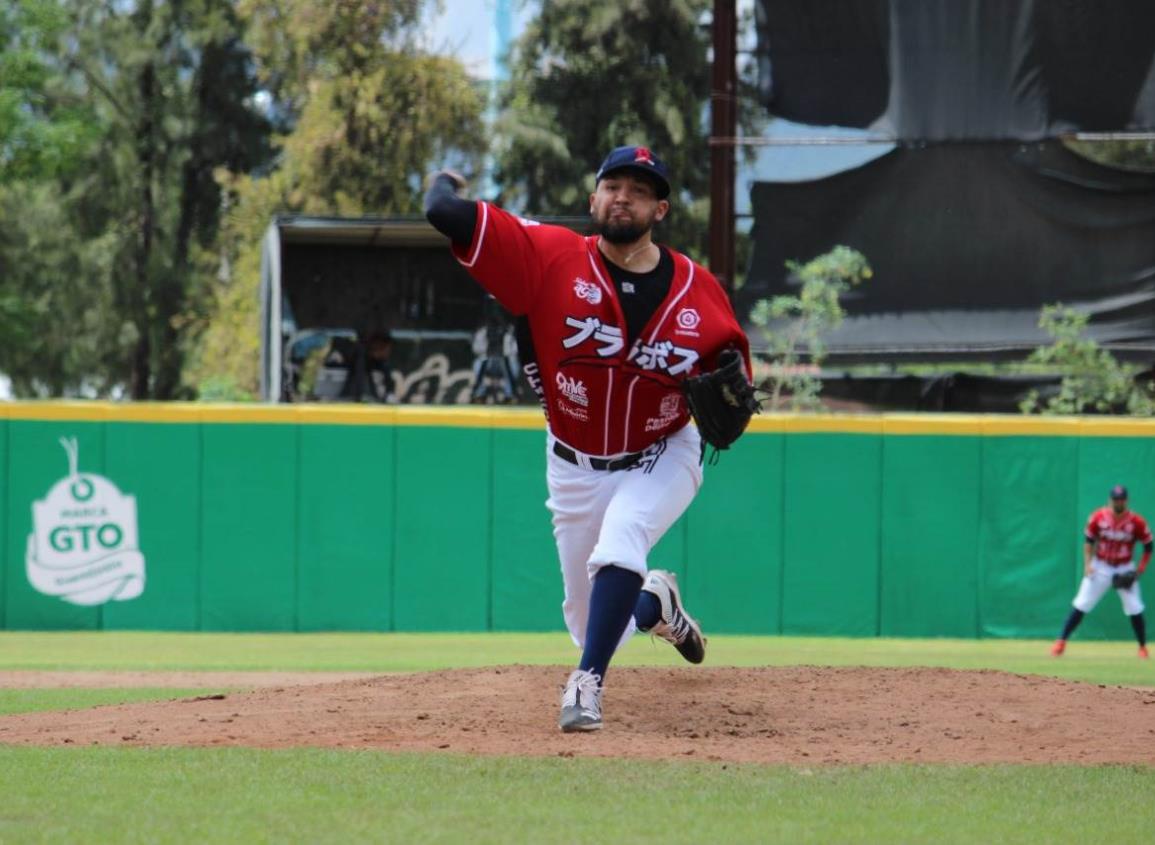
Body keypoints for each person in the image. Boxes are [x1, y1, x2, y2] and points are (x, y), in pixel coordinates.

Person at [424, 145, 754, 731]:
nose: (623, 196)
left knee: (624, 535)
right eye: (612, 185)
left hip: (661, 454)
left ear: (661, 210)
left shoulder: (699, 293)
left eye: (640, 188)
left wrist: (731, 398)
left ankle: (586, 685)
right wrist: (444, 182)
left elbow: (736, 379)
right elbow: (445, 215)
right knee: (589, 619)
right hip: (573, 465)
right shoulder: (549, 257)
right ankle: (657, 605)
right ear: (593, 198)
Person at [1052, 485, 1153, 658]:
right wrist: (1087, 564)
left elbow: (1148, 546)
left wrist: (1140, 569)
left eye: (1121, 499)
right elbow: (1088, 541)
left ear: (1126, 500)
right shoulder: (1098, 517)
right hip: (1101, 567)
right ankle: (1061, 642)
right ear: (1110, 499)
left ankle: (1142, 647)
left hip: (1124, 567)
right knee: (1081, 603)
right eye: (1115, 499)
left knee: (1134, 607)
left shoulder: (1137, 522)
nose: (1118, 502)